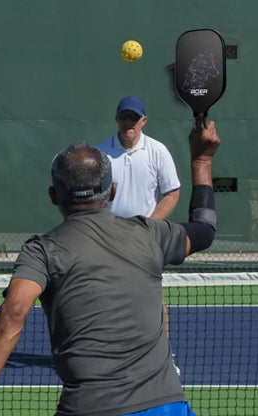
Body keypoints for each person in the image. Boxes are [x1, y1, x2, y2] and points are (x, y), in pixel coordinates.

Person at [0, 120, 220, 416]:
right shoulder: (150, 234)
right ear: (112, 191)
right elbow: (205, 229)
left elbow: (13, 312)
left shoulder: (42, 251)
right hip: (166, 407)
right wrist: (202, 160)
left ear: (54, 196)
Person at [98, 96, 181, 372]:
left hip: (146, 238)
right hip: (109, 240)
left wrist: (151, 225)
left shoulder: (158, 152)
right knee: (107, 297)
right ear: (117, 120)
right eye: (124, 117)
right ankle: (111, 355)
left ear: (143, 121)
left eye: (134, 118)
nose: (129, 123)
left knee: (153, 297)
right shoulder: (101, 155)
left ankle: (163, 358)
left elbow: (172, 192)